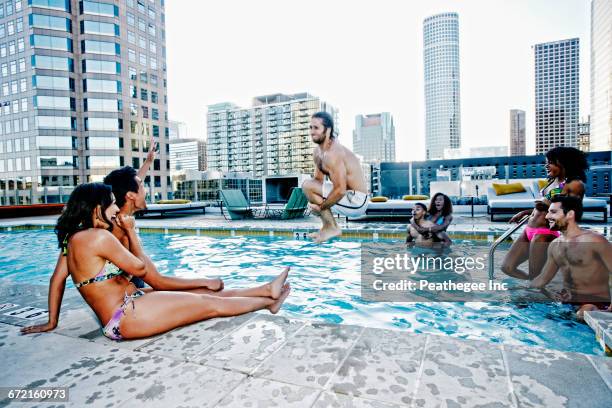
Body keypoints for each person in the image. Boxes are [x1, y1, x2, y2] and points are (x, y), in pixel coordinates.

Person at [23, 183, 290, 340]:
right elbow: (139, 268)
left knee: (198, 293)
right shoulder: (97, 238)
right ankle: (269, 303)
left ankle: (267, 291)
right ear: (96, 208)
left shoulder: (73, 240)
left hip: (127, 309)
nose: (116, 208)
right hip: (126, 316)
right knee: (208, 303)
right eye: (112, 203)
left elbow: (56, 281)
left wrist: (52, 322)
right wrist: (130, 232)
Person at [501, 147, 589, 280]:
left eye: (551, 162)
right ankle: (542, 288)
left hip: (545, 233)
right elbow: (544, 207)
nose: (546, 165)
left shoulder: (575, 184)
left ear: (564, 163)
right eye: (546, 162)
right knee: (507, 267)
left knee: (535, 275)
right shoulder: (552, 181)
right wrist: (525, 212)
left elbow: (572, 212)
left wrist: (547, 205)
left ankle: (539, 296)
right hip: (529, 230)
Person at [530, 195, 611, 319]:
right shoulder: (555, 245)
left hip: (595, 304)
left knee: (582, 313)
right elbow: (542, 279)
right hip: (568, 304)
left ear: (570, 214)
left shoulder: (595, 241)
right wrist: (519, 291)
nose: (547, 216)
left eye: (553, 212)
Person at [302, 111, 369, 243]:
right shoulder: (318, 152)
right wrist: (314, 203)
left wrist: (321, 208)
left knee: (307, 186)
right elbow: (317, 181)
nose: (311, 132)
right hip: (346, 197)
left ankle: (331, 227)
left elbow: (340, 190)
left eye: (316, 128)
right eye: (310, 127)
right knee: (308, 187)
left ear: (327, 130)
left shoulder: (334, 153)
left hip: (356, 201)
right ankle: (328, 227)